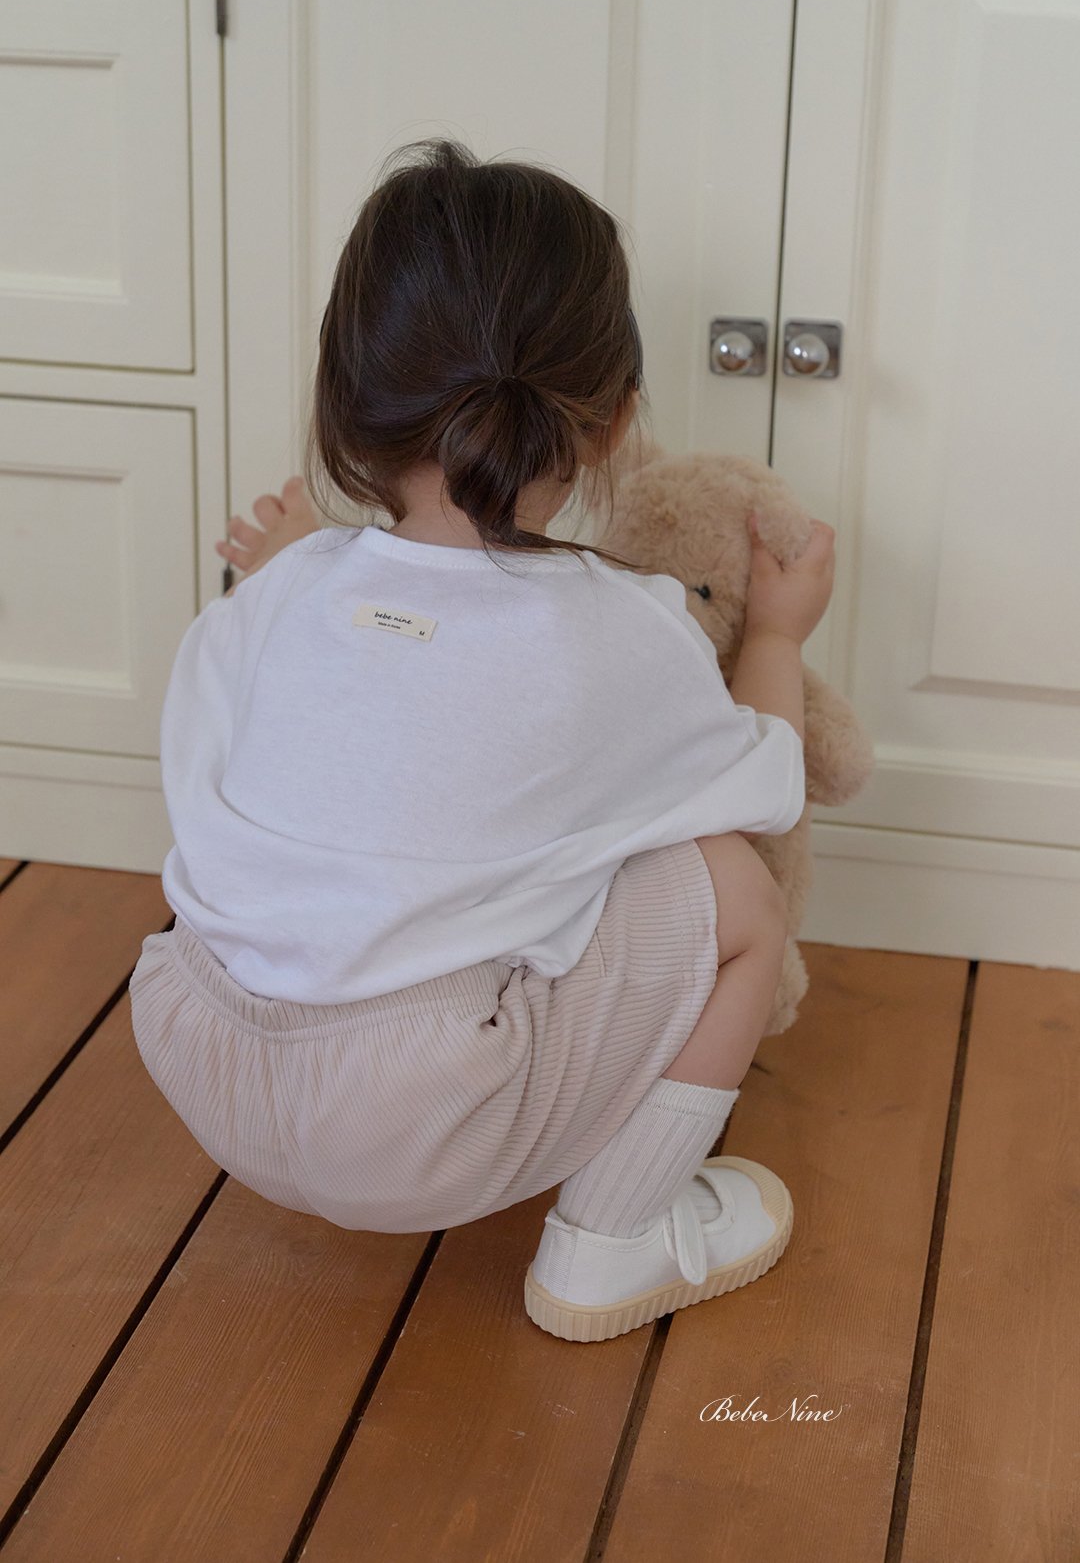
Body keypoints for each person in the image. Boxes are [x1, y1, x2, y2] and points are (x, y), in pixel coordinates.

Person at [127, 137, 835, 1344]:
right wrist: (774, 633)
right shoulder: (620, 629)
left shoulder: (277, 598)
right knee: (735, 893)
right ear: (614, 421)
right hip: (410, 1123)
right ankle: (611, 1245)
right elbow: (765, 787)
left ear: (346, 399)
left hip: (197, 1050)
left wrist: (294, 573)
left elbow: (233, 765)